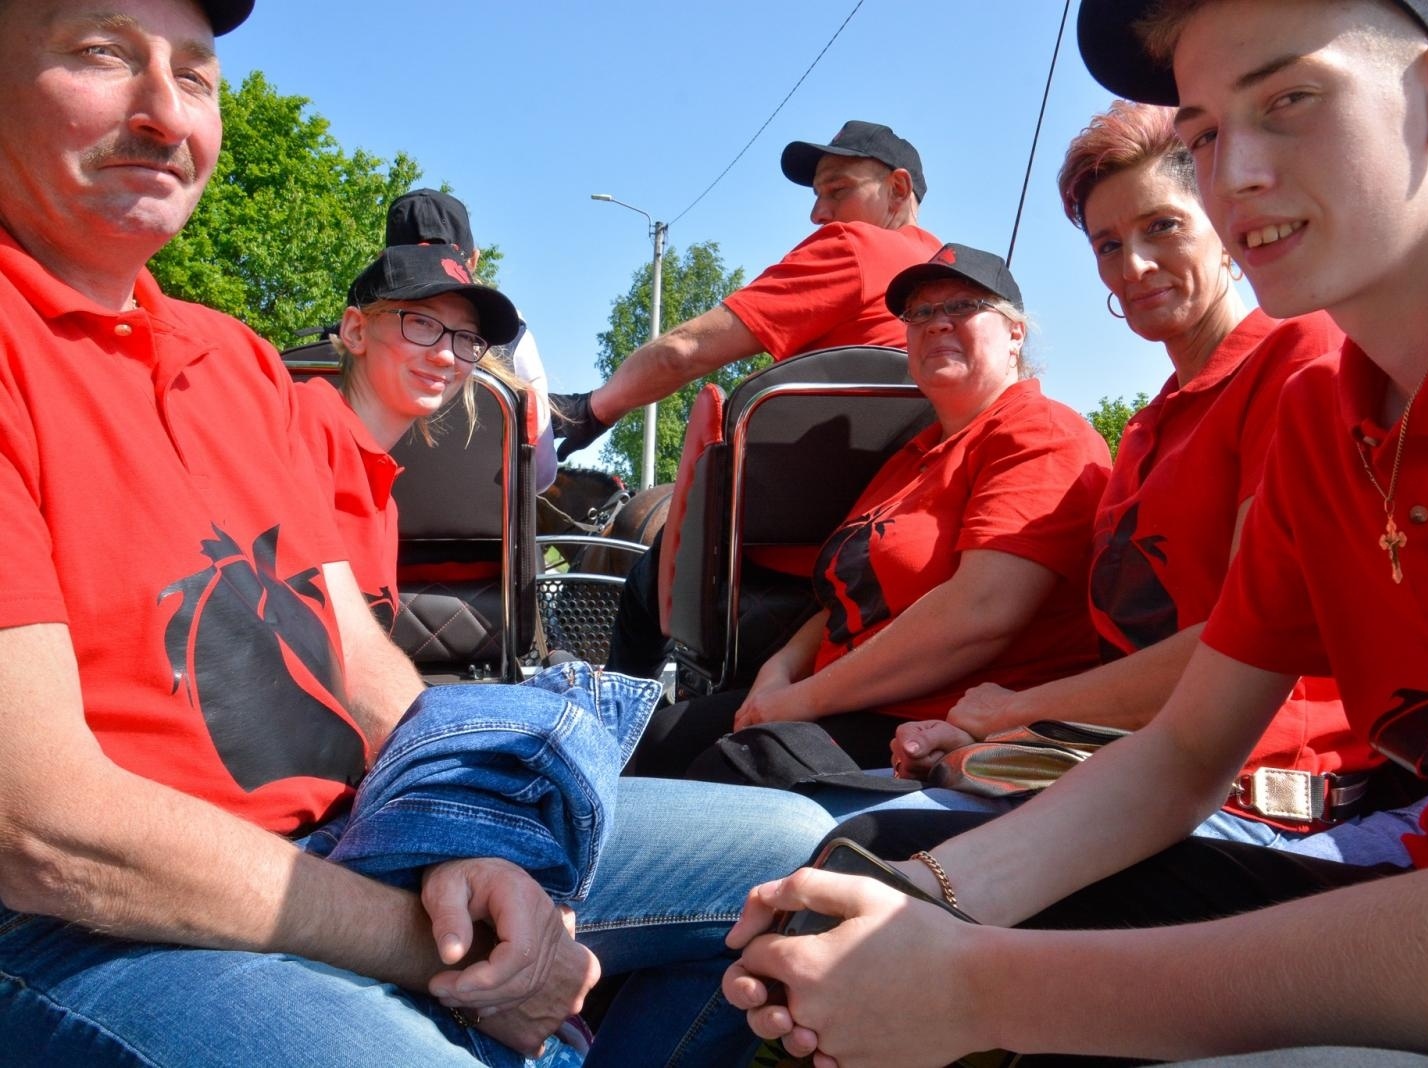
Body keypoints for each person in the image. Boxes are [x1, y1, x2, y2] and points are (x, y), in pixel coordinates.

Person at [721, 1, 1428, 1064]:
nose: (1234, 180)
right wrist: (925, 896)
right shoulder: (1332, 420)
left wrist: (978, 988)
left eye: (1289, 100)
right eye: (1206, 137)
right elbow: (1183, 751)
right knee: (842, 910)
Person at [0, 2, 837, 1065]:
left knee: (791, 861)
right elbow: (38, 831)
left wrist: (460, 834)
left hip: (347, 832)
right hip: (85, 923)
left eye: (198, 75)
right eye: (102, 54)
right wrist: (435, 945)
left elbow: (354, 650)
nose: (167, 114)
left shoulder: (236, 363)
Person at [893, 102, 1421, 863]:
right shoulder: (1146, 428)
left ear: (1227, 224)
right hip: (1129, 774)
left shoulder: (1298, 359)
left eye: (1162, 227)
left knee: (859, 864)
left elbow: (1243, 638)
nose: (1132, 266)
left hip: (1268, 814)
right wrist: (990, 728)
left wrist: (1009, 713)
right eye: (1108, 245)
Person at [629, 244, 1110, 777]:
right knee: (637, 745)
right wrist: (779, 669)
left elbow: (982, 613)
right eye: (920, 313)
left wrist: (802, 700)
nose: (936, 324)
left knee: (721, 772)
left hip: (932, 728)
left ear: (1015, 333)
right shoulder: (913, 455)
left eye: (962, 307)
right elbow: (844, 599)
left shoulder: (1041, 433)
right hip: (841, 702)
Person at [564, 119, 946, 679]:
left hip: (776, 556)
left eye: (836, 190)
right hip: (893, 552)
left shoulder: (855, 247)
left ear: (897, 189)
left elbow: (685, 351)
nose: (818, 215)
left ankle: (624, 741)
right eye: (817, 196)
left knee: (645, 585)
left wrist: (591, 409)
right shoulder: (959, 286)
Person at [295, 243, 521, 628]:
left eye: (466, 339)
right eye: (421, 322)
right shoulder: (303, 424)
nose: (447, 356)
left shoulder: (382, 494)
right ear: (355, 330)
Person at [385, 186, 558, 494]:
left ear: (385, 259)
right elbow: (540, 475)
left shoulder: (343, 340)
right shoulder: (514, 338)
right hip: (484, 539)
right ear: (474, 260)